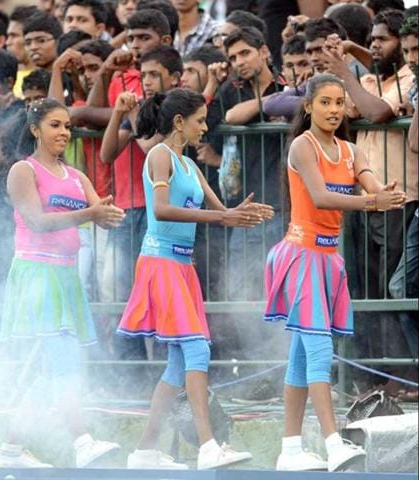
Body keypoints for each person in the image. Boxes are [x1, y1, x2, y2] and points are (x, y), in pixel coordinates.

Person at [117, 88, 274, 469]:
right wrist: (223, 217)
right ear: (178, 122)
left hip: (182, 268)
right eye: (200, 120)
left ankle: (145, 451)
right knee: (197, 350)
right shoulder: (159, 155)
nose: (206, 127)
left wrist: (240, 213)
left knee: (177, 364)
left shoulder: (189, 164)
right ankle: (208, 446)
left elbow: (224, 210)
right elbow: (162, 209)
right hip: (161, 264)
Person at [264, 74, 406, 472]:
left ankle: (289, 449)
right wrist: (373, 201)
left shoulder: (349, 149)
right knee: (320, 349)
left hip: (328, 260)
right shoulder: (302, 146)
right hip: (301, 255)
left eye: (339, 103)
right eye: (325, 102)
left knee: (300, 356)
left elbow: (372, 185)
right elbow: (321, 196)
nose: (333, 110)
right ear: (308, 106)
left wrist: (386, 194)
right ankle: (332, 442)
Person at [0, 98, 126, 468]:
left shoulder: (76, 175)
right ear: (36, 129)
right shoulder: (23, 170)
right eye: (55, 125)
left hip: (66, 274)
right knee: (62, 360)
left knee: (46, 366)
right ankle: (82, 441)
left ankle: (9, 451)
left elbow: (101, 213)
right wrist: (91, 212)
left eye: (67, 125)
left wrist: (109, 214)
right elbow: (36, 221)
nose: (64, 132)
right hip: (37, 273)